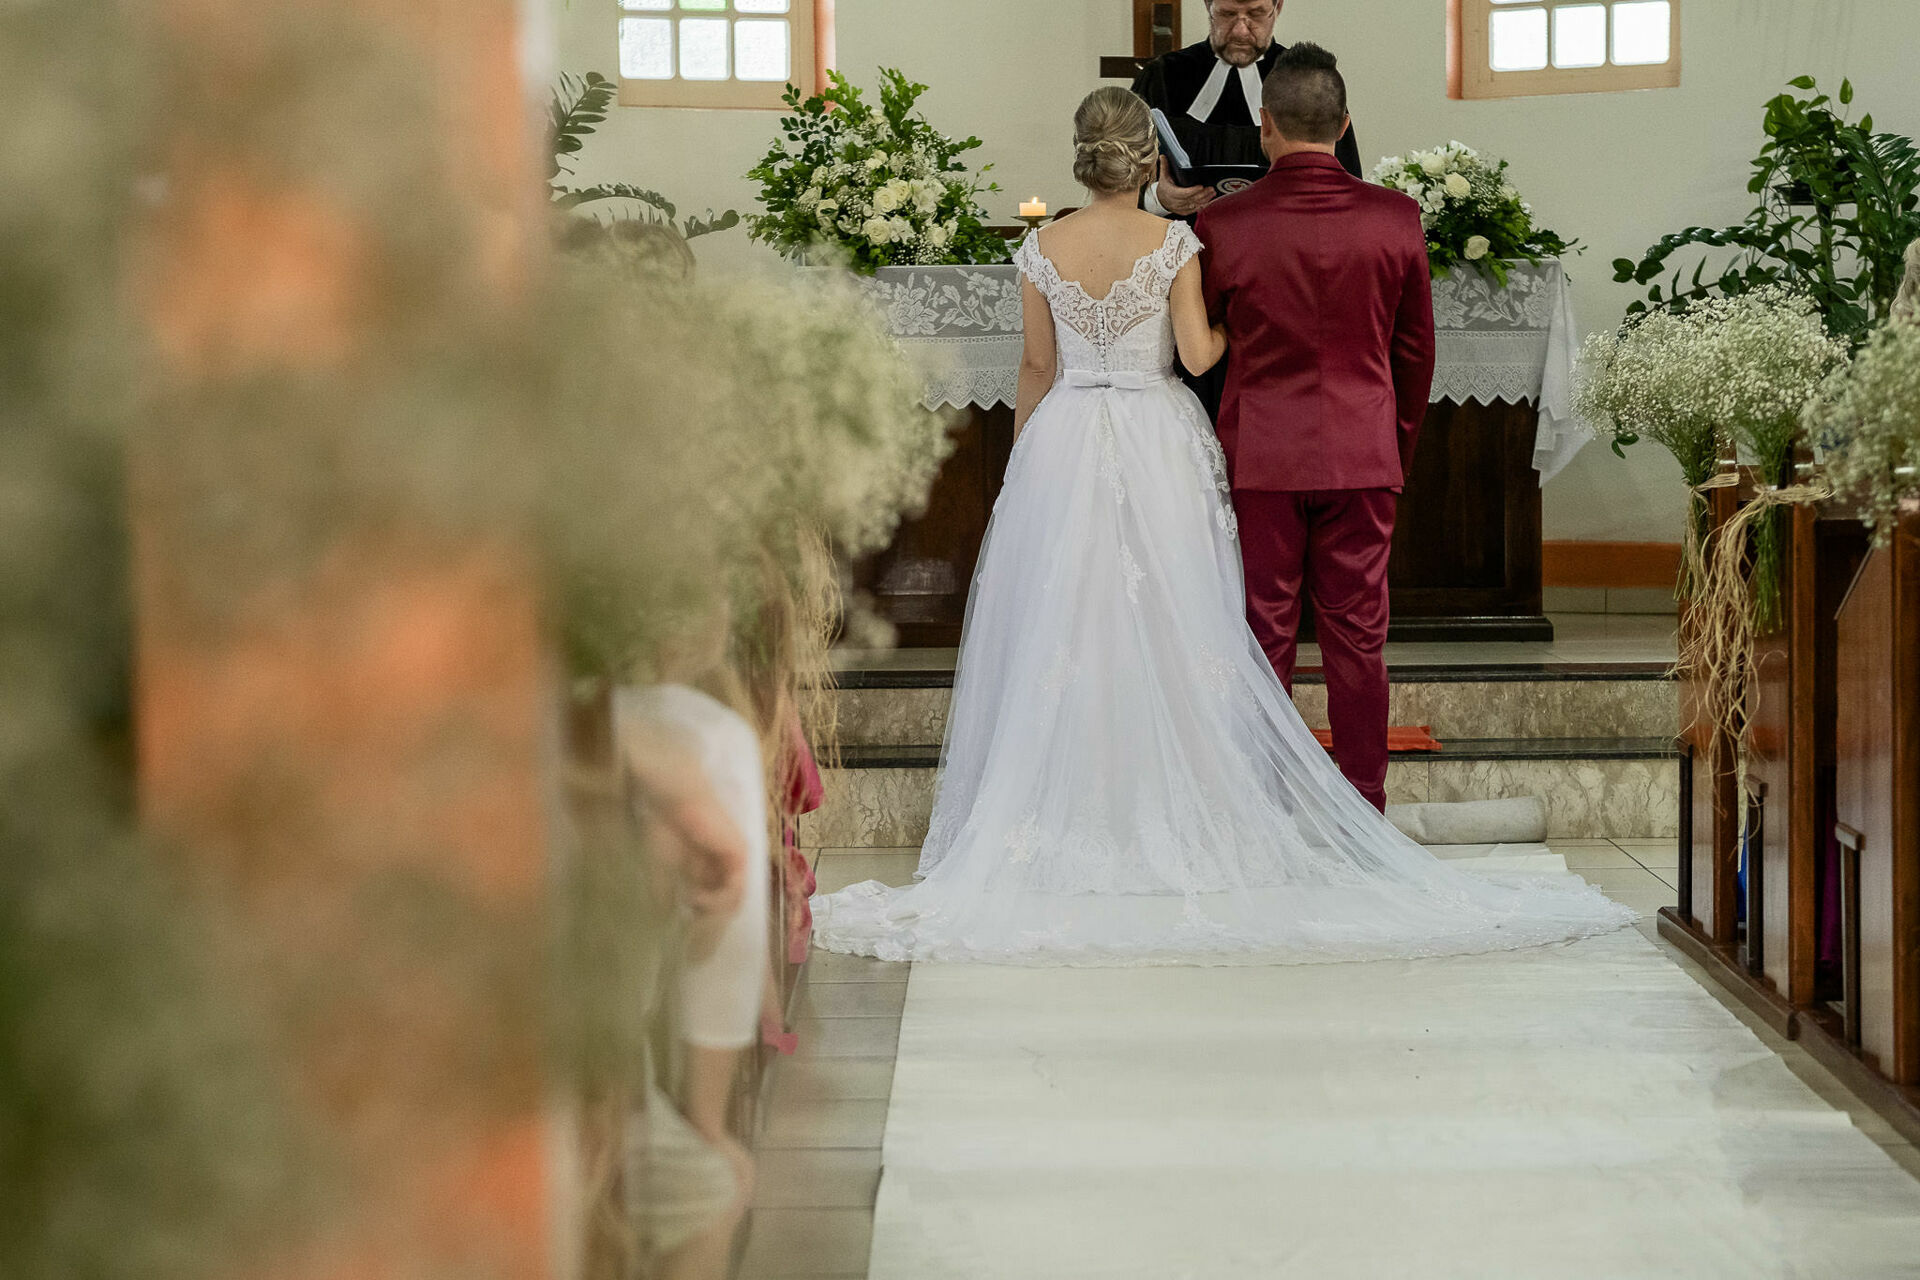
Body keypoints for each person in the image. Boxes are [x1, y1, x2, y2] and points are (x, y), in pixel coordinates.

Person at [808, 86, 1632, 967]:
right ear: (1150, 162)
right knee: (1178, 619)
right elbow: (1199, 355)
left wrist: (1023, 467)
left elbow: (1037, 365)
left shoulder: (1040, 248)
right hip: (1158, 438)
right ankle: (1206, 803)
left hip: (1065, 440)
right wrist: (1245, 324)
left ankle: (1068, 808)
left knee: (1068, 624)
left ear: (1082, 158)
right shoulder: (1174, 243)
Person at [1196, 43, 1432, 813]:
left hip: (1262, 453)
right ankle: (1363, 803)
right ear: (1344, 124)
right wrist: (1390, 446)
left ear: (1265, 126)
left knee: (1264, 636)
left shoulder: (1224, 223)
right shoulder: (1396, 217)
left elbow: (1203, 350)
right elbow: (1415, 351)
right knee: (1358, 636)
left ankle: (1261, 803)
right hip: (1363, 452)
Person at [1130, 0, 1362, 420]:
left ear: (1277, 7)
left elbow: (1342, 184)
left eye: (1255, 14)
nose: (1240, 29)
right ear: (1207, 6)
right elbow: (1118, 187)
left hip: (1283, 285)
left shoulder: (1308, 81)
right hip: (1186, 285)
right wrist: (1159, 199)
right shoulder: (1164, 78)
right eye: (1226, 14)